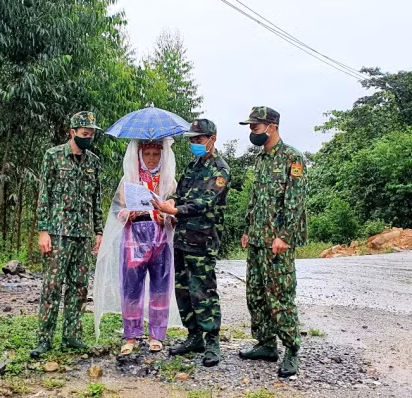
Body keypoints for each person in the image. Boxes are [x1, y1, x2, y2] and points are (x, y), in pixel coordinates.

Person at [93, 137, 182, 357]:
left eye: (156, 154)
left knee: (160, 287)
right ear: (140, 156)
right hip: (134, 238)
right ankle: (130, 336)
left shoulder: (169, 182)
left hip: (160, 239)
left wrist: (167, 218)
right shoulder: (129, 182)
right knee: (131, 288)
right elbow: (117, 210)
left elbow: (177, 211)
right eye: (147, 154)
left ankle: (156, 335)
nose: (151, 159)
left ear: (163, 156)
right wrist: (127, 214)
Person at [152, 119, 230, 367]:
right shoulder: (192, 167)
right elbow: (180, 194)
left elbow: (204, 203)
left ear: (212, 139)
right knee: (183, 290)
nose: (195, 143)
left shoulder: (220, 169)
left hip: (203, 240)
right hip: (182, 238)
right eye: (192, 140)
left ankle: (212, 342)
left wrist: (175, 211)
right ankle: (193, 336)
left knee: (203, 292)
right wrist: (169, 204)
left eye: (199, 139)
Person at [237, 106, 307, 378]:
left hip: (277, 242)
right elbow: (254, 199)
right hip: (256, 238)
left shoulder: (293, 157)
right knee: (255, 293)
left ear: (271, 126)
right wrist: (246, 228)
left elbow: (295, 202)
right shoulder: (260, 159)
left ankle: (291, 349)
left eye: (255, 126)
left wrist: (284, 236)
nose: (252, 131)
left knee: (280, 296)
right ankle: (266, 343)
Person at [30, 111, 103, 358]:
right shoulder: (53, 156)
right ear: (72, 132)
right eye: (85, 133)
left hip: (83, 234)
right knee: (52, 286)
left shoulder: (93, 162)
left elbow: (97, 198)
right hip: (58, 231)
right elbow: (44, 195)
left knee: (79, 287)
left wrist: (99, 231)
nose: (89, 137)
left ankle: (72, 336)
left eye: (91, 134)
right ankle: (44, 340)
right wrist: (42, 231)